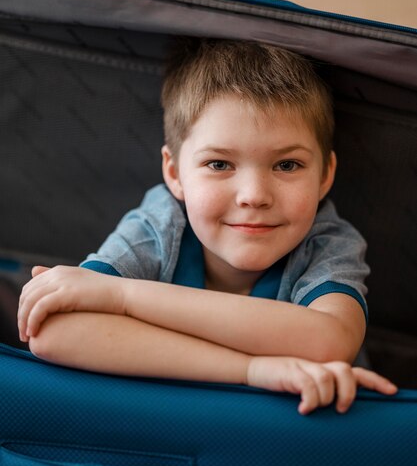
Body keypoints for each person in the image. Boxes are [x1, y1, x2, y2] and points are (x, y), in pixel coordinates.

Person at [17, 39, 397, 415]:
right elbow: (53, 332)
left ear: (325, 175)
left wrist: (122, 297)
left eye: (287, 165)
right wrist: (251, 370)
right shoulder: (160, 226)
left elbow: (329, 341)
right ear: (174, 172)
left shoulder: (327, 242)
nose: (253, 196)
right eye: (219, 164)